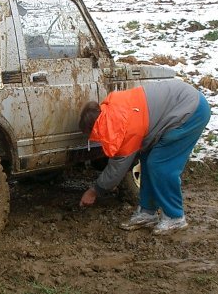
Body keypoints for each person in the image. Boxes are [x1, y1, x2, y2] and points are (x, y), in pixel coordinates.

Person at [78, 79, 211, 235]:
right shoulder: (112, 111)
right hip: (180, 104)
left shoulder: (120, 127)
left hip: (190, 111)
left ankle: (175, 217)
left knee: (161, 165)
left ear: (97, 128)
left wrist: (94, 191)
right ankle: (147, 212)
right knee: (148, 161)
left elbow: (117, 169)